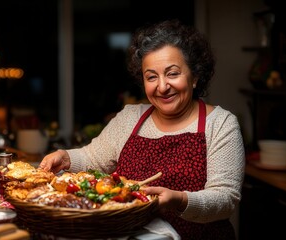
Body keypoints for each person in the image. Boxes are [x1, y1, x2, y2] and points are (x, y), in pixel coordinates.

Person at [39, 19, 245, 240]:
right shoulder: (130, 117)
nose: (162, 86)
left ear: (194, 76)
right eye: (151, 77)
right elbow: (93, 157)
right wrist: (65, 157)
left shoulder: (221, 123)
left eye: (173, 73)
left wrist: (179, 200)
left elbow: (225, 199)